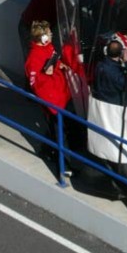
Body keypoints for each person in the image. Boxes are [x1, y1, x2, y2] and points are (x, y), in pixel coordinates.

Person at [24, 20, 80, 168]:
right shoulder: (34, 58)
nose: (51, 35)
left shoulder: (49, 48)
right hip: (53, 101)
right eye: (49, 33)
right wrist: (47, 74)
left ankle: (48, 150)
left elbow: (54, 60)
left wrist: (59, 65)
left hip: (63, 94)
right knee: (59, 134)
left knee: (63, 130)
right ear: (42, 38)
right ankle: (65, 166)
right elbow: (36, 83)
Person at [93, 39, 127, 106]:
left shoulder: (100, 65)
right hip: (115, 106)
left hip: (103, 102)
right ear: (120, 53)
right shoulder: (114, 73)